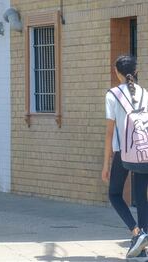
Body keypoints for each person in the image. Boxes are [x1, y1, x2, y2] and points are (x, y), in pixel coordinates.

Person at [102, 55, 148, 258]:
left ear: (116, 72)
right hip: (144, 152)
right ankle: (143, 244)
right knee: (141, 198)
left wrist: (106, 163)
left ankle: (136, 233)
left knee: (114, 194)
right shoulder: (145, 93)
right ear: (136, 72)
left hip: (123, 153)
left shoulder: (112, 95)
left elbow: (109, 133)